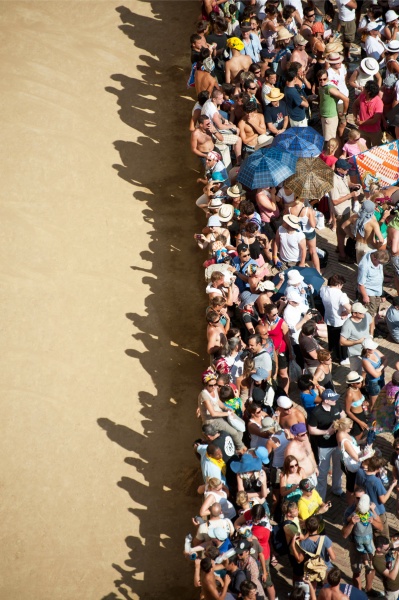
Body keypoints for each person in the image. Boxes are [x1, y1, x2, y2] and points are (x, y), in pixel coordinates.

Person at [308, 389, 346, 500]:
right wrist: (326, 432)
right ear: (326, 400)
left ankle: (337, 489)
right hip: (323, 446)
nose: (336, 400)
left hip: (337, 443)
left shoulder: (336, 405)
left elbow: (343, 415)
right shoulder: (316, 412)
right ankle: (321, 498)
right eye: (333, 399)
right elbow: (311, 430)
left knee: (338, 468)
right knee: (323, 472)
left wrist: (340, 424)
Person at [198, 371, 245, 450]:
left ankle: (236, 446)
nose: (214, 387)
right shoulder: (204, 395)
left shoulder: (214, 390)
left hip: (221, 413)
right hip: (212, 420)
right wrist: (227, 413)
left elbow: (218, 402)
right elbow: (213, 413)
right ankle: (241, 448)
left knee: (241, 424)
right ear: (205, 385)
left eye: (215, 384)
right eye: (211, 385)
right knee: (234, 432)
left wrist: (227, 408)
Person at [356, 455, 397, 539]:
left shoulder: (360, 473)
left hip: (366, 508)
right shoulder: (376, 481)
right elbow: (383, 500)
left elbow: (356, 488)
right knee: (383, 536)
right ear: (378, 468)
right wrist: (392, 486)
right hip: (378, 511)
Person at [329, 158, 361, 264]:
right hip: (340, 211)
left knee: (342, 231)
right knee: (341, 233)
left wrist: (353, 185)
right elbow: (335, 201)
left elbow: (348, 182)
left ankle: (340, 247)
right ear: (338, 169)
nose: (347, 171)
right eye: (345, 169)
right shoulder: (333, 182)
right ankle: (342, 256)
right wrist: (351, 195)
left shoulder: (343, 175)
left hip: (346, 209)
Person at [320, 274, 352, 365]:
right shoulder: (341, 295)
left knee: (332, 338)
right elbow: (349, 307)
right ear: (339, 284)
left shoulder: (323, 290)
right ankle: (343, 358)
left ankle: (332, 354)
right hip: (340, 321)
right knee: (342, 341)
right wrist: (346, 312)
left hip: (329, 319)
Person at [357, 250, 390, 335]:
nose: (380, 265)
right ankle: (370, 333)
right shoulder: (364, 266)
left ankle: (375, 326)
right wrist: (365, 296)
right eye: (379, 262)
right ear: (374, 258)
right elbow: (361, 284)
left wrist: (381, 293)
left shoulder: (376, 254)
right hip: (369, 291)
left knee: (376, 309)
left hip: (377, 290)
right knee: (371, 313)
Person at [264, 303, 292, 394]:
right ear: (268, 314)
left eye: (277, 313)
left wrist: (291, 352)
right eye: (274, 314)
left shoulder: (281, 322)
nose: (276, 315)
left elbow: (287, 339)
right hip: (269, 352)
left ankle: (286, 393)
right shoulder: (264, 321)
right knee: (272, 373)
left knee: (283, 373)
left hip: (281, 351)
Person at [334, 416, 362, 504]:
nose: (351, 428)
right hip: (350, 465)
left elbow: (354, 443)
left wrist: (365, 440)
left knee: (351, 484)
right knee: (351, 486)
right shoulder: (344, 440)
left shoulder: (342, 432)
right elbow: (356, 457)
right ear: (345, 427)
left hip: (347, 463)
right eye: (350, 427)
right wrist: (367, 454)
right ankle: (350, 505)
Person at [340, 303, 372, 375]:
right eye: (361, 313)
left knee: (367, 371)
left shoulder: (366, 315)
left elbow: (371, 320)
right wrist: (357, 342)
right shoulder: (347, 325)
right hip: (355, 354)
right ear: (354, 314)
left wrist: (371, 334)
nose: (364, 313)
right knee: (356, 373)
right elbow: (342, 342)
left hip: (368, 351)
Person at [318, 69, 350, 142]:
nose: (322, 81)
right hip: (325, 115)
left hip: (330, 117)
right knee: (333, 137)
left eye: (324, 79)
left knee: (329, 140)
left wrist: (344, 112)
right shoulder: (321, 87)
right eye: (320, 80)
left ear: (327, 78)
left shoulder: (330, 88)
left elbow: (346, 99)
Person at [353, 80, 384, 148]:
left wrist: (361, 123)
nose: (363, 88)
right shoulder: (362, 96)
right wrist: (355, 117)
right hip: (362, 131)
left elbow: (374, 120)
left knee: (378, 149)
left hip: (374, 132)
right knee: (364, 149)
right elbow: (355, 105)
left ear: (369, 92)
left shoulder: (378, 103)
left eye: (365, 88)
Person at [361, 338, 387, 412]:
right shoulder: (365, 360)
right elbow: (375, 375)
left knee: (382, 398)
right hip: (373, 383)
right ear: (367, 349)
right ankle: (372, 419)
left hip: (381, 379)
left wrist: (380, 368)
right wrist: (383, 368)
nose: (374, 348)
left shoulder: (375, 351)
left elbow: (386, 359)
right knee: (374, 403)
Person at [344, 371, 368, 441]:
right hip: (355, 417)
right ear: (351, 384)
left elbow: (360, 401)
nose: (361, 383)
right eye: (358, 383)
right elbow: (348, 411)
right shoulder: (350, 394)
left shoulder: (357, 388)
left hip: (361, 414)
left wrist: (364, 403)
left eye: (361, 381)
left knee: (362, 432)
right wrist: (359, 422)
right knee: (357, 437)